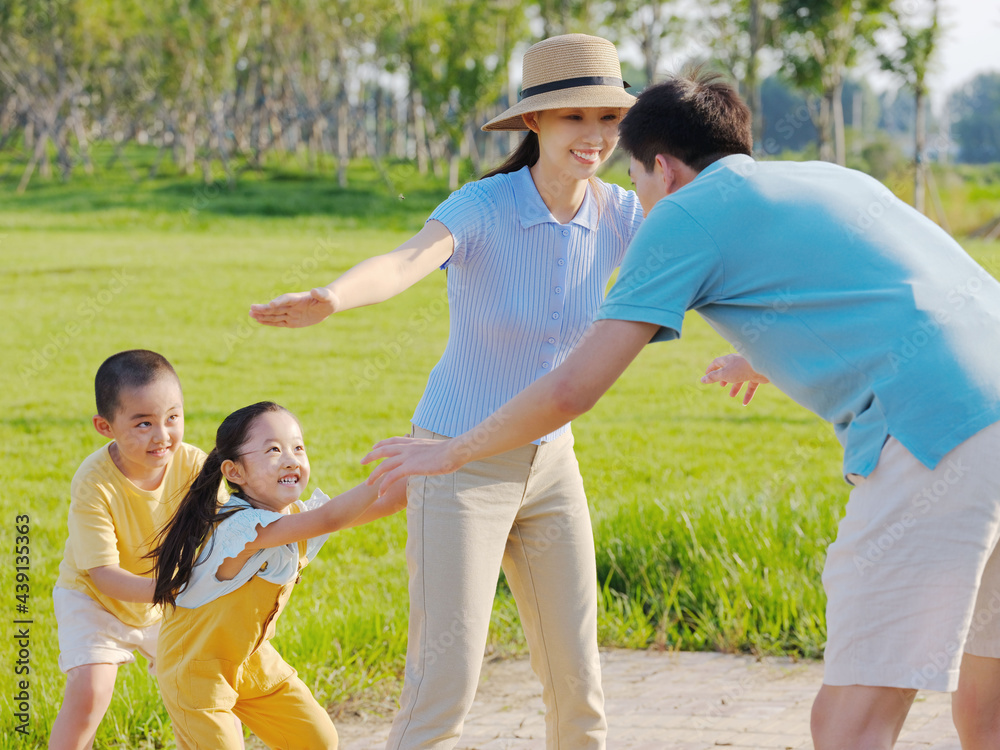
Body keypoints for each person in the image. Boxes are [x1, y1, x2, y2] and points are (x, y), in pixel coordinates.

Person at [362, 70, 1000, 750]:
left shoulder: (684, 215)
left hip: (936, 437)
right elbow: (892, 290)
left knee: (849, 724)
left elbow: (573, 388)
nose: (634, 192)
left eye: (633, 175)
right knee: (987, 708)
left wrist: (451, 449)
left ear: (662, 168)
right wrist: (762, 355)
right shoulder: (832, 179)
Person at [249, 33, 643, 750]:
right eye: (574, 118)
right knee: (444, 689)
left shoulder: (619, 213)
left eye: (608, 120)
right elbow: (406, 260)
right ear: (534, 122)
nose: (594, 137)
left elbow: (706, 260)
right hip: (455, 465)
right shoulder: (484, 207)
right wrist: (334, 296)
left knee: (579, 686)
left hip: (552, 465)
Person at [150, 401, 405, 750]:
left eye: (298, 447)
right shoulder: (241, 525)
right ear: (234, 472)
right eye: (273, 450)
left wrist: (427, 460)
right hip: (196, 670)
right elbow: (331, 518)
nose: (291, 459)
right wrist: (383, 474)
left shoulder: (295, 519)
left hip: (250, 659)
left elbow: (388, 504)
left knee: (317, 741)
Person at [50, 350, 209, 750]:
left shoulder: (194, 466)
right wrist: (175, 585)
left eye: (173, 417)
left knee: (203, 688)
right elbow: (103, 573)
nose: (162, 435)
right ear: (105, 426)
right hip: (95, 598)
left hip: (166, 597)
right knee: (91, 689)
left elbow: (229, 527)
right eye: (143, 423)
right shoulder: (94, 483)